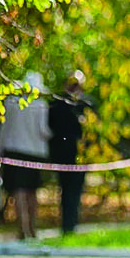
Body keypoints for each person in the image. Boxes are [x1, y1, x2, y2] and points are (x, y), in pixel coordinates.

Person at [0, 71, 51, 239]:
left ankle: (22, 228)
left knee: (18, 190)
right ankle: (32, 228)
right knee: (31, 192)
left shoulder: (10, 103)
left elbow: (2, 130)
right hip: (34, 153)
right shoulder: (40, 105)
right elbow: (43, 131)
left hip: (13, 151)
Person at [48, 70, 94, 234]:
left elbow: (93, 131)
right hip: (63, 155)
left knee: (75, 190)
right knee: (66, 189)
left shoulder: (86, 104)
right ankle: (67, 225)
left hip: (81, 157)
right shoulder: (58, 103)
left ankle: (72, 223)